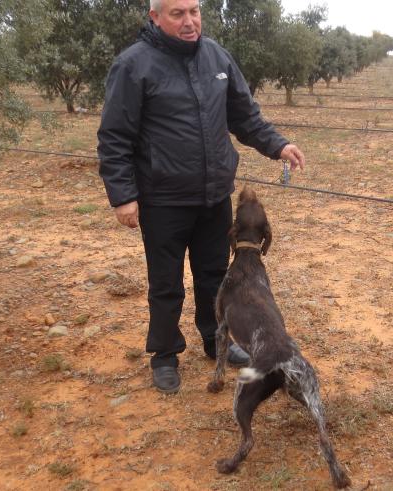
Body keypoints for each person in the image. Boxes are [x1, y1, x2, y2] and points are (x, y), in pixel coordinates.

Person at [97, 0, 306, 395]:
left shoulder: (217, 57)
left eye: (194, 11)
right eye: (177, 13)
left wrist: (278, 145)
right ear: (155, 17)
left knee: (214, 276)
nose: (189, 21)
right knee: (166, 283)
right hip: (162, 199)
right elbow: (115, 136)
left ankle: (215, 342)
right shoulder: (133, 65)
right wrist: (123, 195)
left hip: (213, 197)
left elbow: (244, 116)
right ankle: (164, 355)